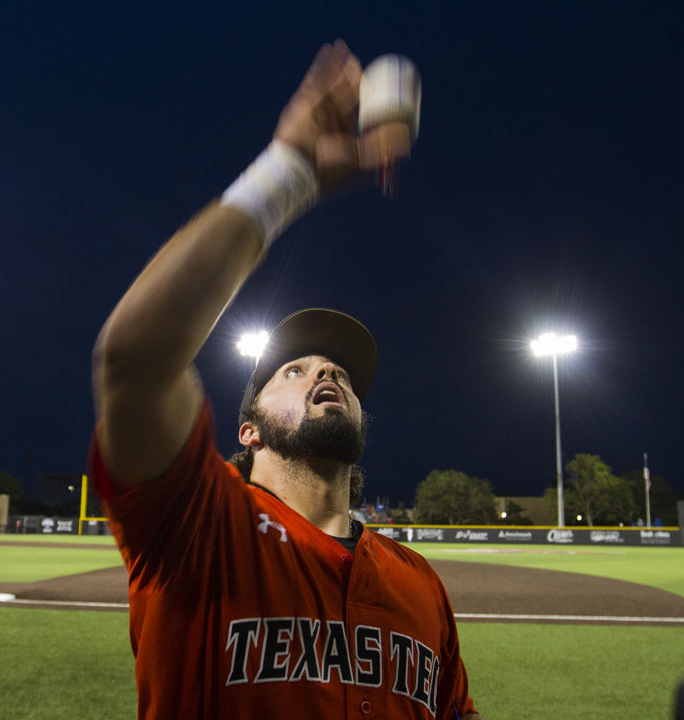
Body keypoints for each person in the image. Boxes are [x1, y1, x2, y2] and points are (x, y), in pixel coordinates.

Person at [88, 40, 481, 719]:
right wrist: (289, 172)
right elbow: (134, 361)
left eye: (339, 371)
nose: (327, 370)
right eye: (293, 369)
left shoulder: (417, 580)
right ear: (248, 429)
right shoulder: (199, 525)